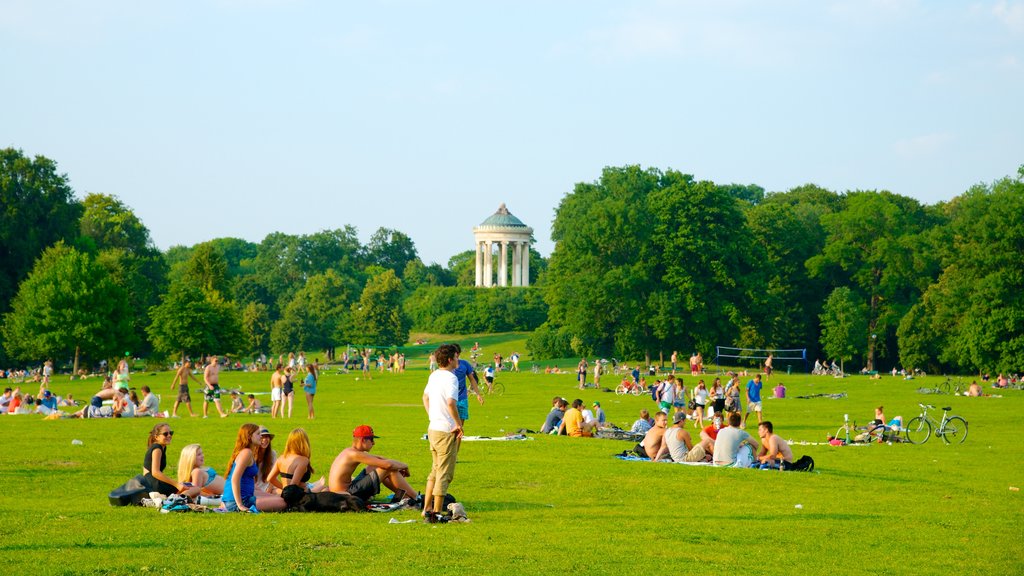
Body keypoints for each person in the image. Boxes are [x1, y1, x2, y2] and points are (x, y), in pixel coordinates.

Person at [421, 343, 463, 522]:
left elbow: (425, 397)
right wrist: (458, 424)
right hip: (446, 431)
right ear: (449, 359)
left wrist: (433, 415)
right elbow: (451, 403)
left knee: (435, 470)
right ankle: (436, 513)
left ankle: (427, 509)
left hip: (433, 428)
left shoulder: (434, 375)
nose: (458, 359)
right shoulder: (451, 378)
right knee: (444, 473)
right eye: (456, 357)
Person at [329, 425, 417, 505]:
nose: (374, 443)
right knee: (387, 468)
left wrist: (398, 466)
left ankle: (406, 496)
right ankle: (415, 498)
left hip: (343, 491)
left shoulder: (350, 451)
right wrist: (405, 466)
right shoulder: (355, 454)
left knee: (375, 466)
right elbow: (388, 465)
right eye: (372, 439)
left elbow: (380, 458)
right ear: (363, 440)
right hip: (346, 495)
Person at [222, 423, 286, 512]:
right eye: (258, 434)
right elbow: (234, 479)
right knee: (283, 502)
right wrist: (240, 505)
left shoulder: (248, 452)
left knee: (278, 497)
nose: (261, 437)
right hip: (241, 501)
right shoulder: (246, 453)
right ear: (249, 437)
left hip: (246, 496)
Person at [268, 428, 325, 494]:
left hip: (288, 493)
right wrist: (314, 489)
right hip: (298, 496)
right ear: (304, 443)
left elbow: (270, 478)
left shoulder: (281, 458)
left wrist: (284, 488)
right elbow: (293, 486)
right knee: (326, 489)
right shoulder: (303, 460)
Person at [451, 343, 483, 440]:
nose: (457, 357)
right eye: (454, 355)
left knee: (459, 430)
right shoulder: (447, 366)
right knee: (449, 428)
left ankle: (455, 454)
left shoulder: (465, 364)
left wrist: (478, 394)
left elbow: (472, 380)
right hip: (450, 400)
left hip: (462, 399)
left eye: (458, 354)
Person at [144, 423, 181, 496]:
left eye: (171, 433)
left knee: (188, 487)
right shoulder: (157, 448)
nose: (169, 435)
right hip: (153, 483)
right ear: (156, 437)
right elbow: (155, 472)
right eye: (165, 434)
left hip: (152, 481)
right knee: (191, 489)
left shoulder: (162, 447)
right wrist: (176, 484)